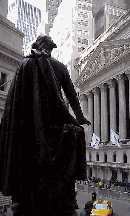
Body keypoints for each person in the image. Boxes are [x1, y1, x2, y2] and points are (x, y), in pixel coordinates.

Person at [0, 35, 90, 216]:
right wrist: (79, 119)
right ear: (52, 48)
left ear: (38, 46)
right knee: (75, 134)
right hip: (54, 127)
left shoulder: (25, 64)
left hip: (30, 130)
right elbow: (72, 97)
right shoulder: (58, 66)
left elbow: (14, 104)